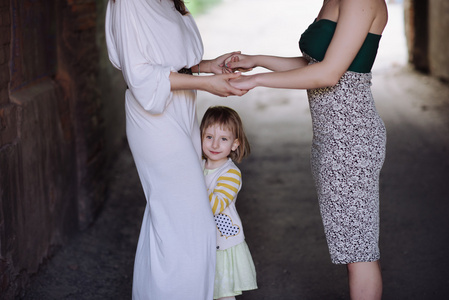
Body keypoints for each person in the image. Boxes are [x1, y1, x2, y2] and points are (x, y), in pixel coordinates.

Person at [225, 0, 387, 299]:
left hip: (351, 140)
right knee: (352, 246)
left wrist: (257, 80)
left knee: (358, 252)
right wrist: (257, 60)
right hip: (331, 139)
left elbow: (327, 74)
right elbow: (314, 64)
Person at [105, 1, 246, 299]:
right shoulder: (131, 4)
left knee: (170, 223)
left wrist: (205, 68)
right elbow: (140, 75)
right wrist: (208, 84)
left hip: (182, 108)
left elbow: (165, 62)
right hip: (155, 119)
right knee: (191, 227)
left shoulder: (169, 1)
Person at [200, 106, 257, 300]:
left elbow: (215, 205)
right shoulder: (197, 165)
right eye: (209, 137)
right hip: (200, 243)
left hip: (222, 245)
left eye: (223, 139)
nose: (215, 144)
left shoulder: (230, 174)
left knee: (223, 295)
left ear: (234, 144)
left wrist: (190, 184)